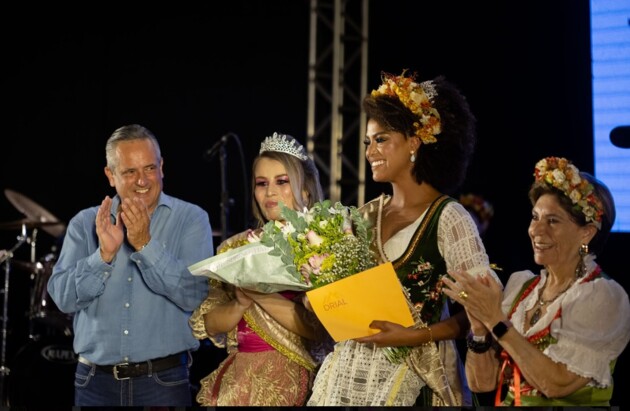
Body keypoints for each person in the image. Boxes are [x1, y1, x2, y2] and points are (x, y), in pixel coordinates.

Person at [307, 70, 500, 406]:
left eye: (381, 139)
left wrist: (415, 335)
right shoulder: (366, 214)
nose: (370, 152)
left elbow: (479, 311)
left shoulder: (449, 217)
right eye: (368, 142)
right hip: (350, 374)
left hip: (414, 376)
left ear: (414, 142)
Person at [47, 124, 214, 407]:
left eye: (150, 168)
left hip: (163, 382)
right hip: (94, 383)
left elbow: (195, 294)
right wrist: (103, 257)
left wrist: (146, 245)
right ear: (110, 176)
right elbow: (63, 299)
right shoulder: (84, 223)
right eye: (129, 172)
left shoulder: (191, 219)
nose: (142, 181)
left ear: (162, 167)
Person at [443, 156, 630, 406]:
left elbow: (555, 384)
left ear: (587, 232)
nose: (536, 230)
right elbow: (482, 384)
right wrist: (478, 329)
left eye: (553, 221)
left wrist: (494, 319)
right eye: (535, 217)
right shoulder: (522, 287)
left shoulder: (601, 297)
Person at [188, 132, 329, 406]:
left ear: (306, 189)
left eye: (282, 181)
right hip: (240, 382)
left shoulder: (319, 246)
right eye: (261, 183)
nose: (270, 192)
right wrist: (240, 303)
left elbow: (320, 331)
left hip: (293, 381)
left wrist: (259, 293)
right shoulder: (235, 247)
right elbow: (207, 323)